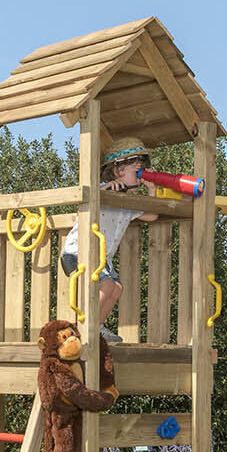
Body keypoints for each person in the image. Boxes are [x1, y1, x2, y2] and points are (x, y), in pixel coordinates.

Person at [59, 136, 159, 344]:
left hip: (101, 258)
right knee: (106, 287)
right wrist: (108, 188)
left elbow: (152, 215)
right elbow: (90, 196)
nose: (140, 177)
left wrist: (151, 190)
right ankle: (81, 329)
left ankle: (96, 327)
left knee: (116, 288)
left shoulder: (128, 202)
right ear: (118, 171)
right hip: (79, 251)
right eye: (136, 172)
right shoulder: (104, 189)